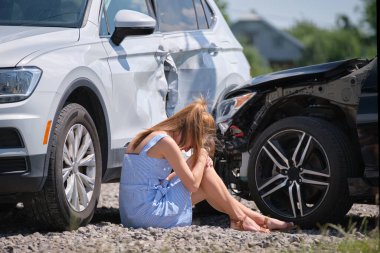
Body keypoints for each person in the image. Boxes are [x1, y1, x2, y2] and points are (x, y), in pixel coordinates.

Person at [119, 98, 294, 232]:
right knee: (205, 176)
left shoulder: (149, 135)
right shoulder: (166, 142)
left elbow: (159, 182)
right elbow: (193, 185)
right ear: (191, 131)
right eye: (193, 144)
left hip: (132, 213)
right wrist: (201, 156)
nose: (188, 148)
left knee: (207, 180)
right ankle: (242, 219)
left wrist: (196, 161)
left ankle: (253, 219)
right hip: (148, 214)